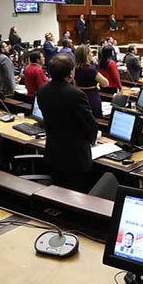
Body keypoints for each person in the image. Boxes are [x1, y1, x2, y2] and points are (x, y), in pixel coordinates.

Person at [38, 54, 98, 192]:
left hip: (53, 152)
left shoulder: (42, 90)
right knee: (76, 195)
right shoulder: (76, 95)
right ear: (71, 73)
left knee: (59, 192)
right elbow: (90, 124)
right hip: (75, 157)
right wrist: (92, 140)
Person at [75, 45, 109, 118]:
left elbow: (75, 85)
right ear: (86, 55)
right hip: (92, 96)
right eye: (90, 52)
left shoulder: (74, 68)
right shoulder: (91, 69)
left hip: (79, 96)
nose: (92, 54)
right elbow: (105, 83)